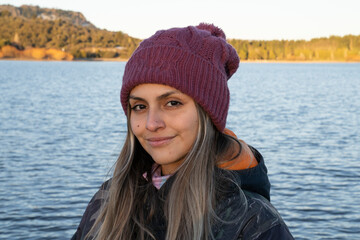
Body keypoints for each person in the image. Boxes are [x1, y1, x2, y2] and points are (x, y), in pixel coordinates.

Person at [72, 23, 294, 240]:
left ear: (208, 113)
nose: (151, 123)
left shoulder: (253, 223)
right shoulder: (109, 200)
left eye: (172, 103)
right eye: (139, 106)